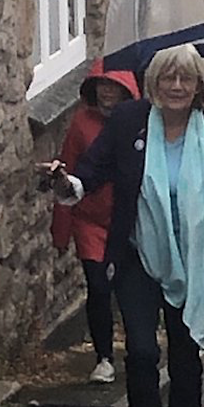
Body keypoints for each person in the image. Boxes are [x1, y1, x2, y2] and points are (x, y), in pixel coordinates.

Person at [40, 44, 204, 407]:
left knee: (186, 357)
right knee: (144, 354)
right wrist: (63, 181)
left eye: (185, 79)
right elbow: (88, 175)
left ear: (198, 84)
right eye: (167, 78)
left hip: (194, 258)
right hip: (137, 256)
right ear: (152, 83)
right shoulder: (130, 122)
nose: (175, 86)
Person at [51, 59, 140, 384]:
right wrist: (61, 231)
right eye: (101, 85)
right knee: (98, 286)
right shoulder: (80, 123)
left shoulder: (140, 121)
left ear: (126, 89)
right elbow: (67, 174)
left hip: (130, 221)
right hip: (91, 221)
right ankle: (103, 357)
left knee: (131, 289)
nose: (107, 91)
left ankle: (139, 349)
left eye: (114, 85)